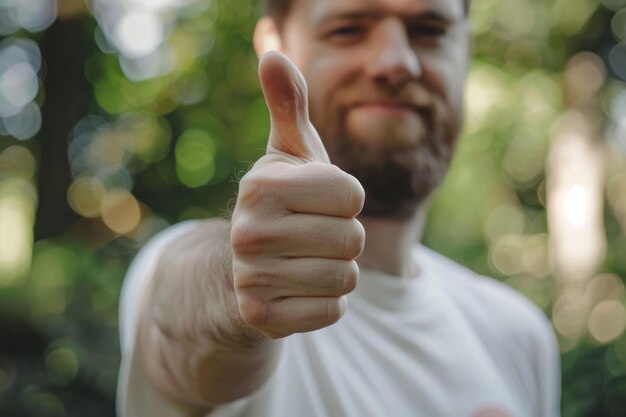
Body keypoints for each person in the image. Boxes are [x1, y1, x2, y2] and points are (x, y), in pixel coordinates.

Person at [117, 0, 562, 416]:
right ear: (276, 47)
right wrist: (240, 283)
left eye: (429, 30)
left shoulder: (519, 338)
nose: (396, 62)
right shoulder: (179, 271)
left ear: (465, 51)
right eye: (348, 29)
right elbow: (182, 318)